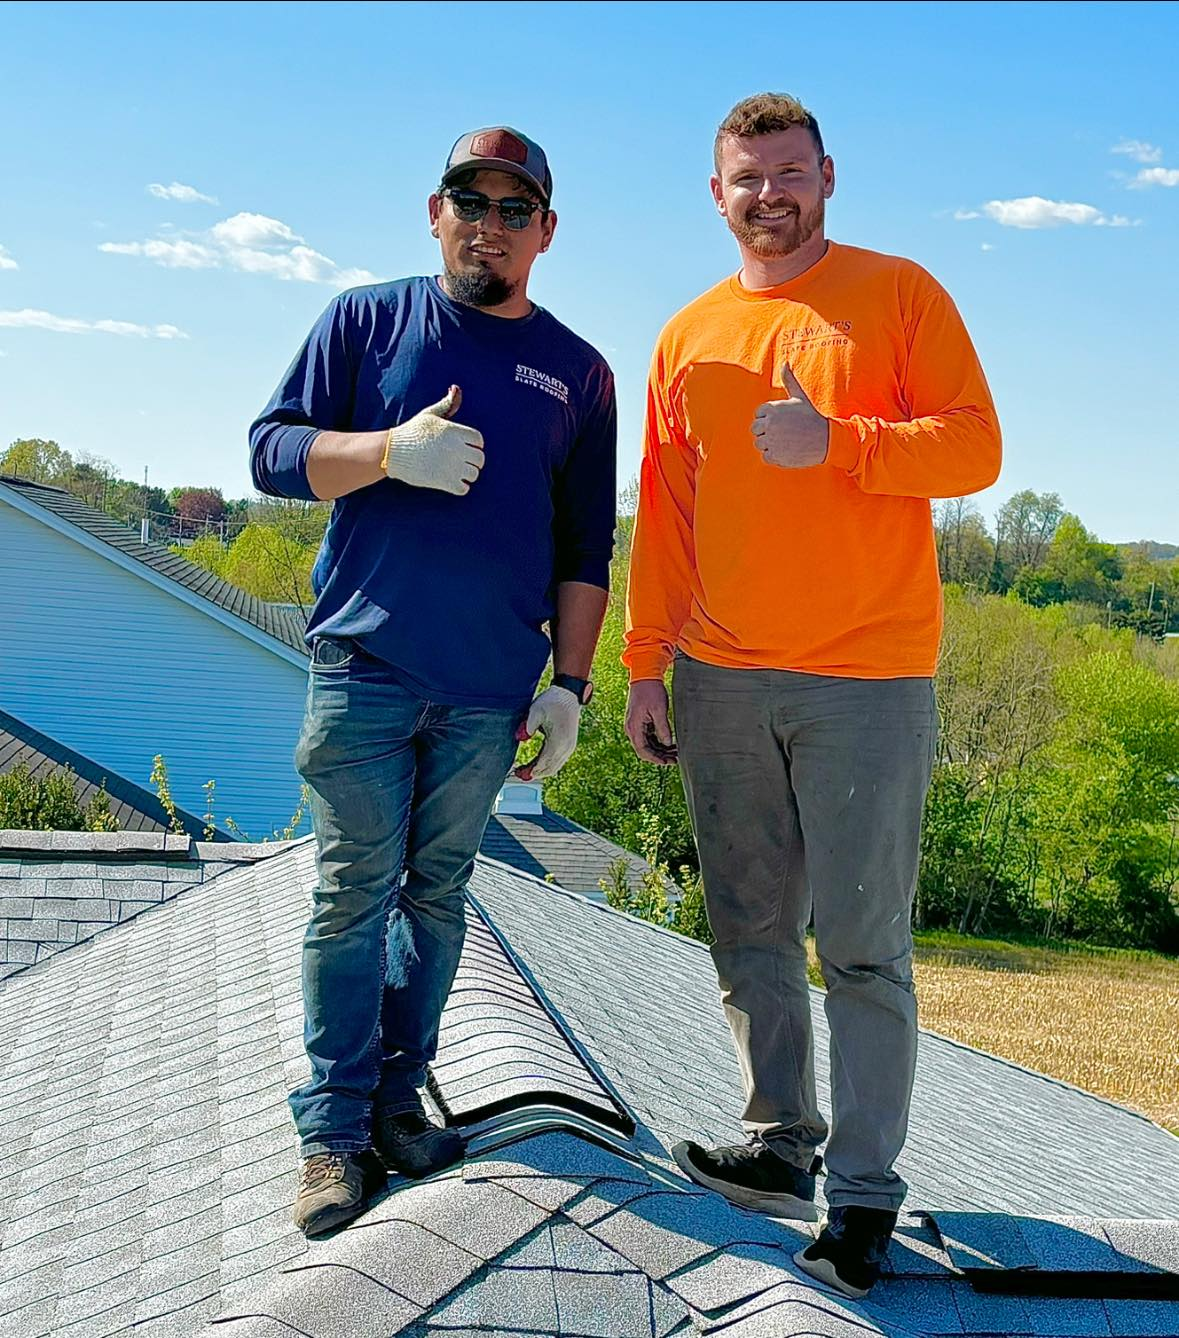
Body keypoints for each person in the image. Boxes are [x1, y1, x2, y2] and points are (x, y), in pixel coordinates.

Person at [623, 93, 1000, 1299]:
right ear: (716, 192)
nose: (769, 194)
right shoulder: (686, 336)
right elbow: (666, 515)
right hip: (721, 675)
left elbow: (976, 448)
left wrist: (843, 441)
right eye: (748, 177)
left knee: (865, 952)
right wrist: (643, 661)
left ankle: (865, 1199)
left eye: (790, 173)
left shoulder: (900, 296)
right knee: (747, 932)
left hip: (868, 679)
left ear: (828, 177)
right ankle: (780, 1145)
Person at [250, 126, 616, 1237]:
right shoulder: (365, 321)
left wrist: (572, 684)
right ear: (435, 209)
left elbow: (585, 546)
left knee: (438, 896)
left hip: (488, 692)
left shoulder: (581, 372)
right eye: (471, 199)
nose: (489, 224)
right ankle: (333, 1133)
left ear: (544, 232)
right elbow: (270, 452)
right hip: (365, 667)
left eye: (515, 209)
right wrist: (385, 452)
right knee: (353, 894)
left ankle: (401, 1101)